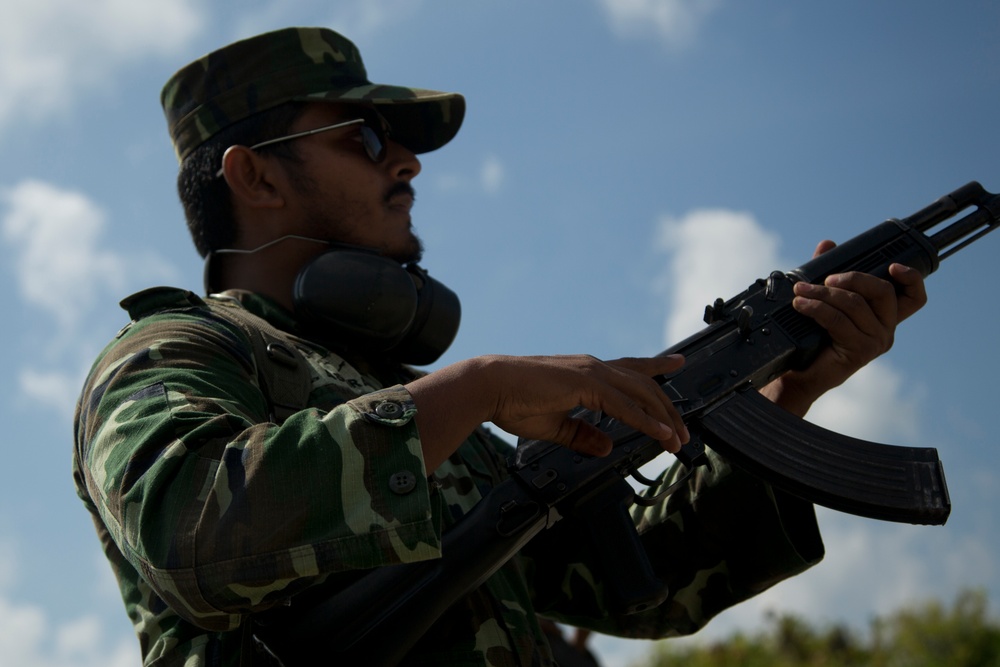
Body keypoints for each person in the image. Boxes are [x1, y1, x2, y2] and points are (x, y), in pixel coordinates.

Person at [72, 27, 928, 667]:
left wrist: (787, 392)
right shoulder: (173, 352)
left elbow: (651, 581)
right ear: (254, 176)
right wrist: (476, 389)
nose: (405, 163)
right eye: (364, 138)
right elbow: (192, 533)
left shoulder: (403, 400)